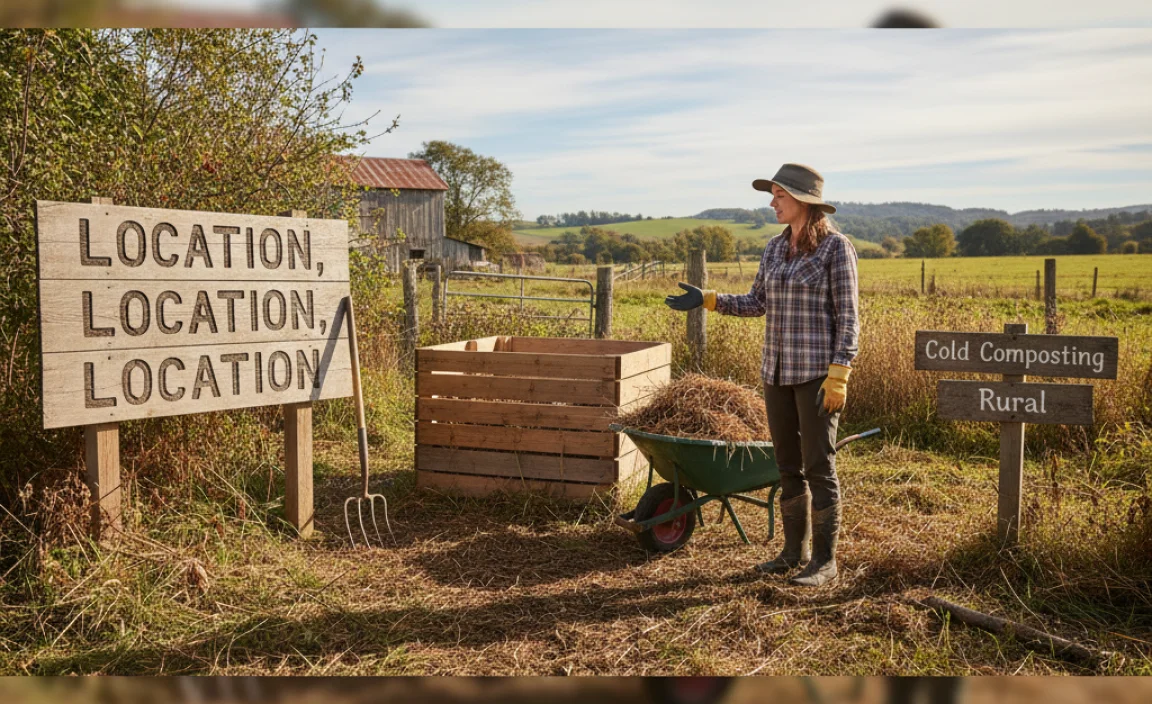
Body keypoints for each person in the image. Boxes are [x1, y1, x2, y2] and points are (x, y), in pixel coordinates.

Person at [665, 163, 859, 587]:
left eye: (779, 196)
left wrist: (839, 373)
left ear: (804, 201)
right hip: (776, 371)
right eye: (772, 195)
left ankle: (825, 562)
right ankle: (793, 554)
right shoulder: (774, 248)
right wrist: (710, 299)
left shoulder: (835, 249)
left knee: (818, 465)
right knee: (787, 465)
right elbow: (757, 303)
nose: (772, 203)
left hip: (816, 375)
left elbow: (848, 317)